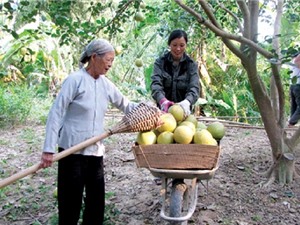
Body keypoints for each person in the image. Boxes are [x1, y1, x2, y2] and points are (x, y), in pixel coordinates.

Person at [39, 39, 138, 225]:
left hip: (95, 152)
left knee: (96, 205)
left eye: (112, 60)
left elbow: (126, 105)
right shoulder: (74, 81)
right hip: (72, 151)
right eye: (108, 59)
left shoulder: (106, 84)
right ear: (94, 57)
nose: (110, 64)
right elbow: (56, 113)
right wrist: (48, 149)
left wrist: (151, 110)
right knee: (70, 204)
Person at [150, 29, 201, 185]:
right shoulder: (160, 62)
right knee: (163, 141)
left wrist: (187, 102)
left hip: (184, 113)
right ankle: (163, 171)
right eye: (174, 45)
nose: (178, 49)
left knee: (183, 141)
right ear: (169, 45)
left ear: (185, 45)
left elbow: (194, 88)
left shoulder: (191, 65)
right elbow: (156, 84)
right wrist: (163, 101)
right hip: (164, 111)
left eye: (182, 45)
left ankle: (182, 171)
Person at [288, 53, 300, 127]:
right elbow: (297, 60)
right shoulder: (296, 61)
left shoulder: (292, 62)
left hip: (293, 85)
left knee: (294, 106)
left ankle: (291, 123)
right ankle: (292, 122)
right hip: (298, 85)